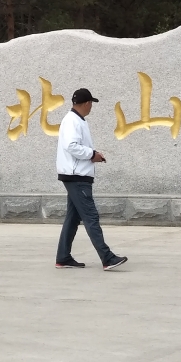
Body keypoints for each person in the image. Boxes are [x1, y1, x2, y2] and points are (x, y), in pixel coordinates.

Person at [55, 88, 127, 271]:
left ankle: (63, 257)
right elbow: (71, 146)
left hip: (75, 175)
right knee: (91, 216)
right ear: (87, 103)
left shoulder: (76, 120)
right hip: (76, 176)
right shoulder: (72, 120)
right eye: (91, 104)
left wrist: (92, 155)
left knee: (73, 218)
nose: (91, 108)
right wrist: (92, 154)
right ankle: (107, 257)